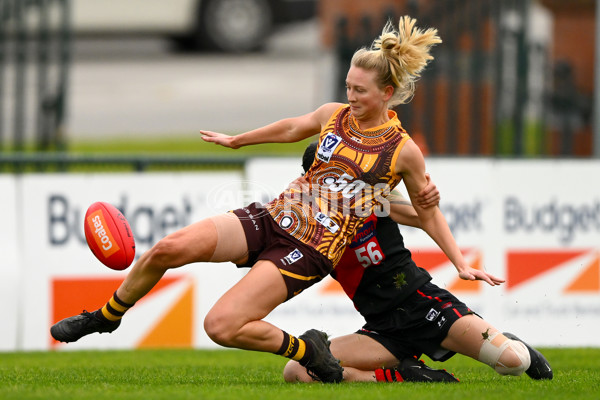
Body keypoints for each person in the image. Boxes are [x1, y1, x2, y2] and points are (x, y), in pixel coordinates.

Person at [50, 16, 500, 383]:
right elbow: (290, 128)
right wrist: (239, 141)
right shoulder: (334, 116)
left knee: (220, 327)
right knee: (168, 248)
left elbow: (427, 212)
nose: (351, 97)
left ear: (386, 93)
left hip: (310, 249)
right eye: (348, 87)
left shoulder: (404, 151)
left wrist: (460, 262)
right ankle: (108, 316)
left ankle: (309, 352)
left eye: (360, 91)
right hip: (273, 216)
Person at [282, 143, 553, 383]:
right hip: (381, 329)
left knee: (513, 363)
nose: (340, 181)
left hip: (423, 305)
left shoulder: (375, 195)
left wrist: (425, 200)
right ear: (313, 181)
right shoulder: (309, 227)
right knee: (297, 370)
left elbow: (421, 216)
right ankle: (405, 374)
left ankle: (514, 345)